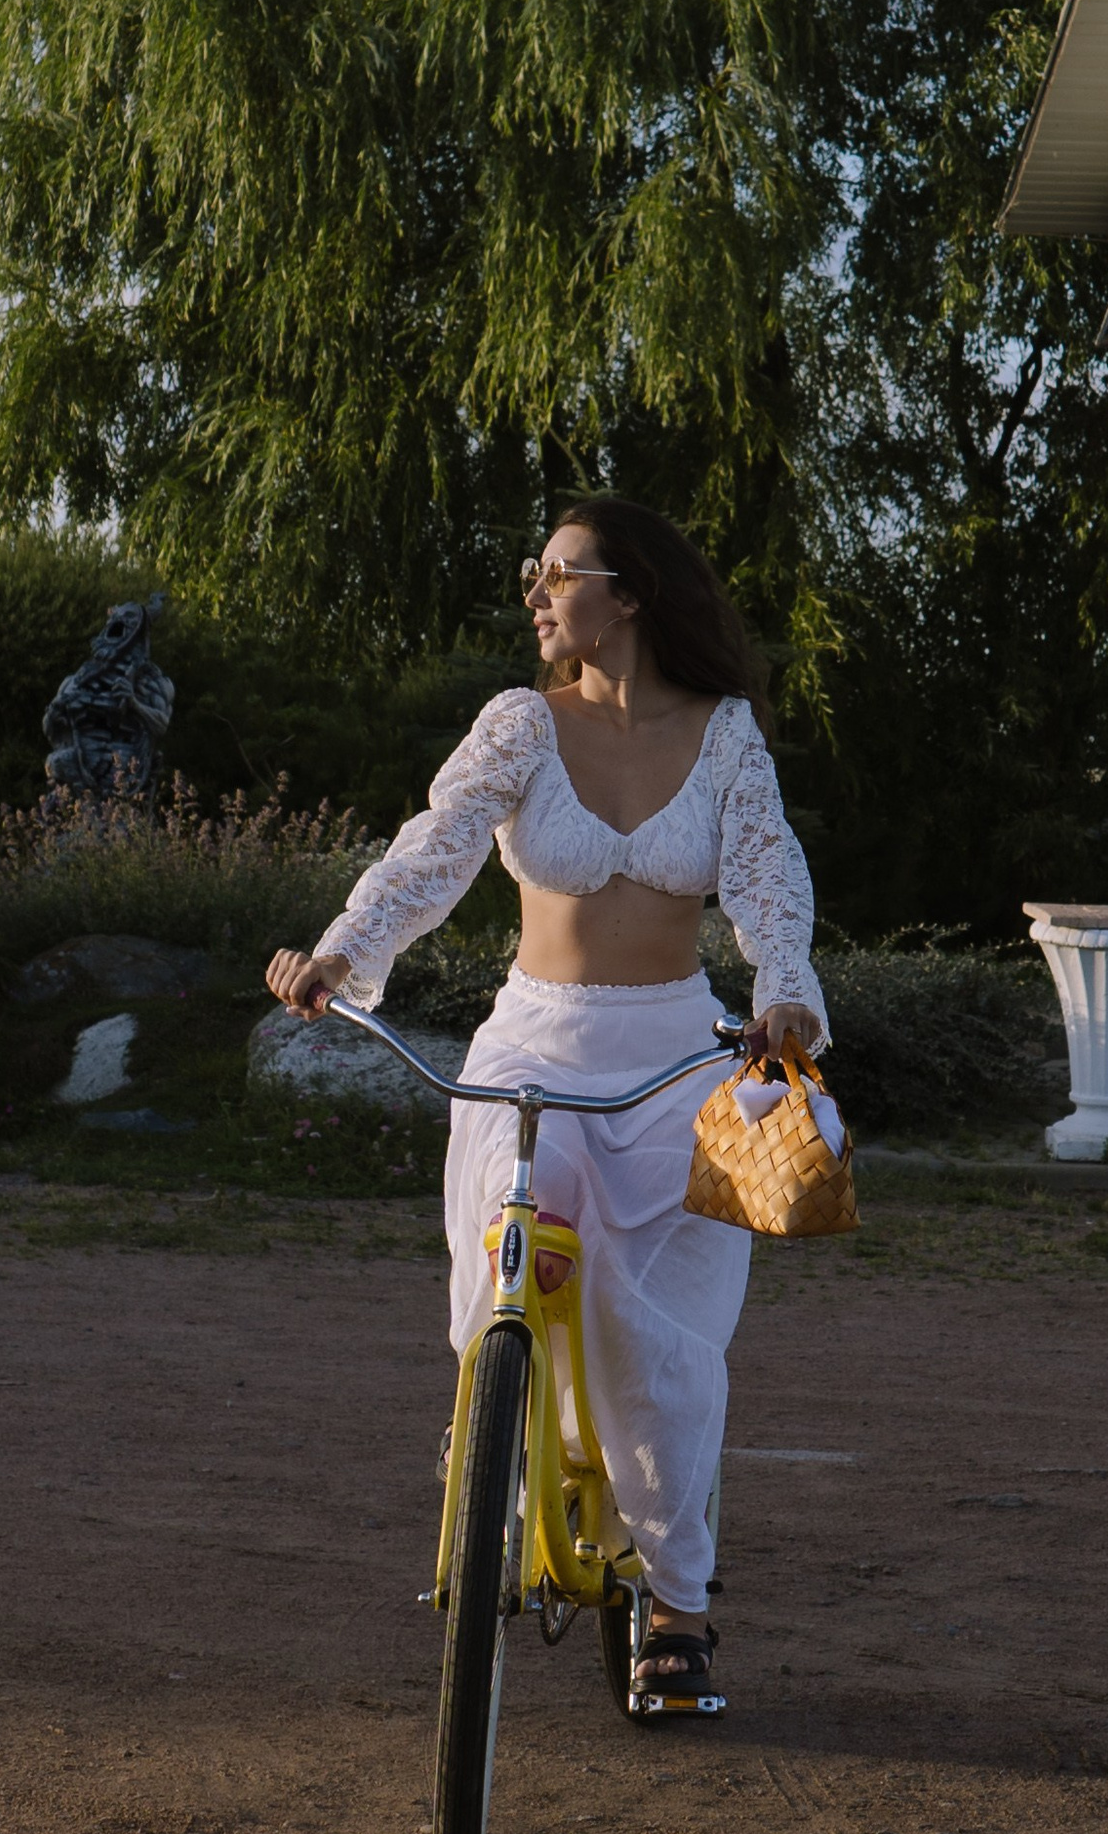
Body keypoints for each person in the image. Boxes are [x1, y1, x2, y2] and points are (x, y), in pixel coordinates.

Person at [266, 495, 825, 1705]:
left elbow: (770, 874)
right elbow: (434, 847)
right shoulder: (521, 723)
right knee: (511, 1276)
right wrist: (340, 952)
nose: (536, 590)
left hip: (676, 1062)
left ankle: (675, 1603)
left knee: (653, 1340)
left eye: (558, 571)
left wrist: (785, 994)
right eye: (535, 570)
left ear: (627, 595)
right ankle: (496, 1483)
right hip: (534, 1052)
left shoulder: (723, 735)